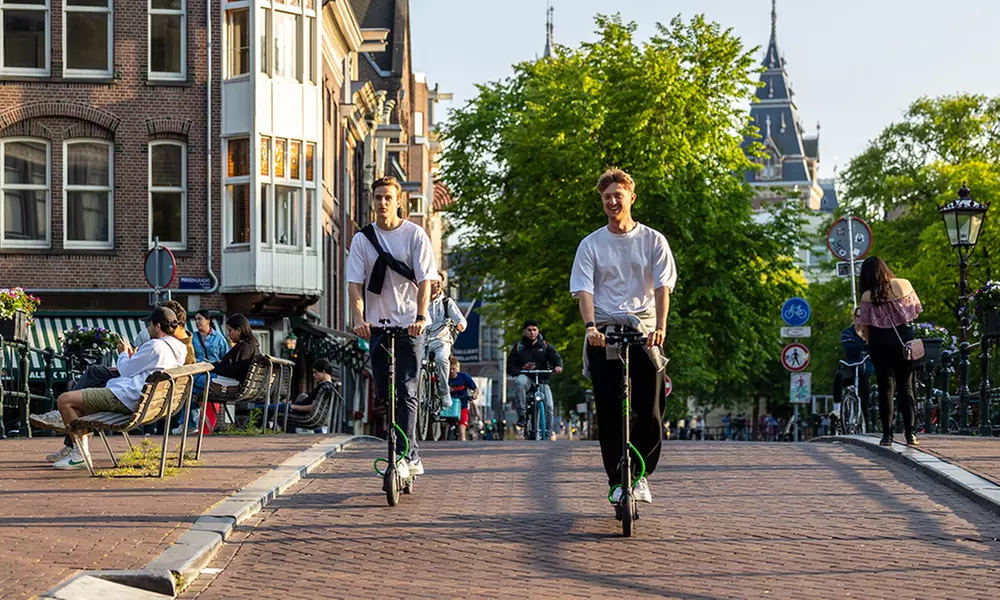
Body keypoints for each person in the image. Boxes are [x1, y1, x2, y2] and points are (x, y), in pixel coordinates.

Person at [570, 168, 676, 506]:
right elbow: (584, 288)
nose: (613, 202)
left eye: (618, 195)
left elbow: (662, 286)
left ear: (631, 196)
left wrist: (660, 327)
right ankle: (617, 480)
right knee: (610, 408)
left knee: (651, 407)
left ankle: (641, 474)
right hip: (604, 328)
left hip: (643, 327)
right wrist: (591, 328)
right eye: (606, 198)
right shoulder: (591, 244)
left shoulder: (653, 240)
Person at [348, 176, 437, 478]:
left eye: (388, 197)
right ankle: (403, 450)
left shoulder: (415, 235)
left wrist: (421, 317)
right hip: (378, 327)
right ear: (371, 201)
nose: (382, 203)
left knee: (407, 389)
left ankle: (408, 454)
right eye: (377, 198)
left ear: (399, 201)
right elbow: (355, 286)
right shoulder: (362, 239)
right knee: (385, 393)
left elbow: (425, 281)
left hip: (409, 325)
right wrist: (360, 320)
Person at [29, 307, 188, 469]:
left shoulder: (155, 346)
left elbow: (126, 370)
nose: (148, 329)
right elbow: (148, 367)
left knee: (65, 400)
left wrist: (123, 353)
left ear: (158, 326)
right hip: (147, 402)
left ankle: (79, 454)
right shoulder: (179, 348)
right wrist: (135, 358)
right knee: (83, 399)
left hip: (125, 398)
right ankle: (74, 444)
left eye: (150, 325)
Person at [856, 256, 923, 446]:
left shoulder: (867, 296)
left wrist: (870, 343)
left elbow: (865, 325)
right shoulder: (903, 284)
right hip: (903, 339)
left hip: (879, 341)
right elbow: (916, 310)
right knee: (905, 386)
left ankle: (887, 435)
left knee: (885, 387)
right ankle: (911, 434)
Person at [173, 310, 232, 434]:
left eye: (200, 319)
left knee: (190, 388)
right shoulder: (192, 338)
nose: (197, 322)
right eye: (196, 319)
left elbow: (226, 359)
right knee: (190, 388)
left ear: (208, 320)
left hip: (213, 375)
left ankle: (187, 424)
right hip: (197, 373)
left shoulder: (219, 339)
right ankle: (189, 425)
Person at [507, 320, 563, 432]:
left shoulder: (546, 345)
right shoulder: (519, 347)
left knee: (549, 406)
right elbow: (510, 367)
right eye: (529, 330)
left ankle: (547, 431)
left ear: (538, 331)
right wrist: (523, 368)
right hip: (526, 377)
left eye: (534, 330)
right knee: (519, 382)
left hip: (542, 379)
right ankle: (522, 415)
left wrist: (558, 366)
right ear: (524, 332)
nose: (532, 332)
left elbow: (556, 357)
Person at [258, 358, 336, 431]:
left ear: (324, 371)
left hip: (298, 412)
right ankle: (264, 429)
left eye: (315, 372)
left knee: (263, 408)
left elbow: (312, 407)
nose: (313, 375)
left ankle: (259, 430)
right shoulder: (328, 386)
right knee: (268, 409)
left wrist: (293, 406)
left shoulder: (324, 387)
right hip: (304, 414)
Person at [425, 276, 467, 408]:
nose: (438, 286)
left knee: (442, 358)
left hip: (441, 340)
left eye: (440, 283)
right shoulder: (418, 301)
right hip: (423, 341)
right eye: (434, 283)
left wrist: (460, 324)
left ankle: (444, 392)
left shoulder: (446, 302)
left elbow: (460, 319)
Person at [833, 307, 874, 431]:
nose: (860, 320)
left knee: (865, 400)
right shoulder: (848, 333)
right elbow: (850, 348)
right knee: (839, 376)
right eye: (858, 317)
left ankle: (867, 429)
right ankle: (837, 408)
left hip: (864, 368)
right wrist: (864, 342)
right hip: (851, 366)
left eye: (863, 317)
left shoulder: (871, 333)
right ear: (854, 318)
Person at [213, 314, 260, 381]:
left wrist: (215, 366)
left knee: (200, 379)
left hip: (233, 384)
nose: (228, 335)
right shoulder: (252, 345)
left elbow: (236, 371)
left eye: (230, 330)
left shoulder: (244, 347)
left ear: (239, 330)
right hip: (243, 384)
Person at [448, 356, 477, 441]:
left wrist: (474, 395)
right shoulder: (443, 378)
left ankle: (462, 448)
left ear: (457, 367)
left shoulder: (464, 377)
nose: (451, 371)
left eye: (453, 369)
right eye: (449, 369)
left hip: (462, 407)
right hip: (447, 408)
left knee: (461, 431)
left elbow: (476, 389)